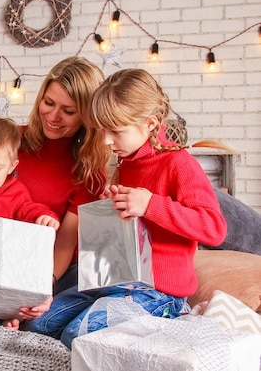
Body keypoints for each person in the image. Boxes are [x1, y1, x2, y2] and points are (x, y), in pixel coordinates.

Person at [20, 68, 227, 349]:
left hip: (158, 292)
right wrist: (113, 206)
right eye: (101, 130)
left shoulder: (178, 163)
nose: (106, 140)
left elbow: (213, 228)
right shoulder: (128, 162)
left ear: (150, 122)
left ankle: (172, 316)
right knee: (38, 324)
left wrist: (149, 204)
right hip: (115, 283)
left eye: (115, 131)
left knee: (77, 336)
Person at [3, 57, 107, 328]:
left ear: (87, 116)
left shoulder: (89, 170)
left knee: (36, 323)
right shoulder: (10, 139)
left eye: (68, 111)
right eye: (48, 103)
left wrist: (39, 288)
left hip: (54, 268)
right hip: (4, 255)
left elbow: (65, 241)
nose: (53, 116)